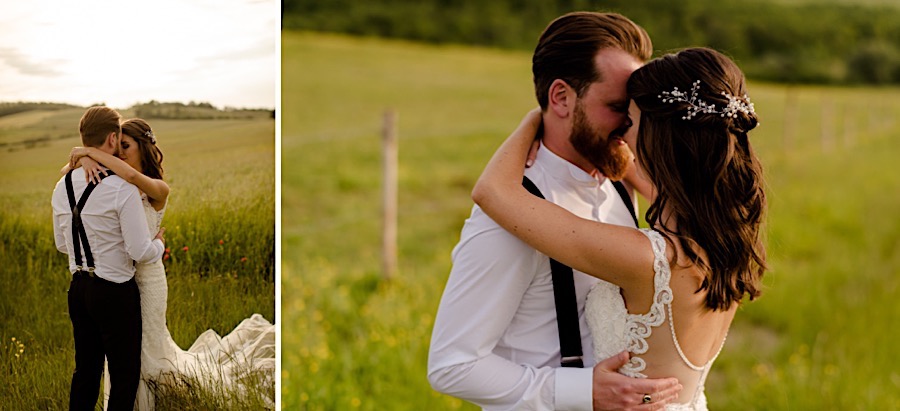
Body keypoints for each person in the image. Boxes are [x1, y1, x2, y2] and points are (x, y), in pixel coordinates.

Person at [471, 47, 767, 410]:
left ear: (659, 138)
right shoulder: (722, 232)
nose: (622, 137)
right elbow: (663, 177)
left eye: (630, 123)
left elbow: (492, 192)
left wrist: (537, 119)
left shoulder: (647, 259)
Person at [428, 12, 682, 410]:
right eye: (617, 107)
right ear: (561, 97)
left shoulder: (619, 179)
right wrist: (582, 392)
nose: (630, 126)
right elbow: (451, 364)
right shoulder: (512, 214)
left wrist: (533, 122)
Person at [66, 118, 275, 409]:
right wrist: (85, 158)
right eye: (118, 145)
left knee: (146, 351)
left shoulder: (155, 187)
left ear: (143, 148)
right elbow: (69, 178)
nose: (120, 152)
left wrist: (86, 151)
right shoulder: (111, 182)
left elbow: (127, 174)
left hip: (147, 278)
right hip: (117, 279)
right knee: (121, 353)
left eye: (126, 146)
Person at [52, 106, 166, 411]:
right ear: (113, 138)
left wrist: (84, 155)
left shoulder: (60, 187)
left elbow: (62, 245)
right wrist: (159, 245)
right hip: (115, 291)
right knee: (124, 377)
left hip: (77, 291)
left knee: (85, 372)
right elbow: (140, 252)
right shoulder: (122, 189)